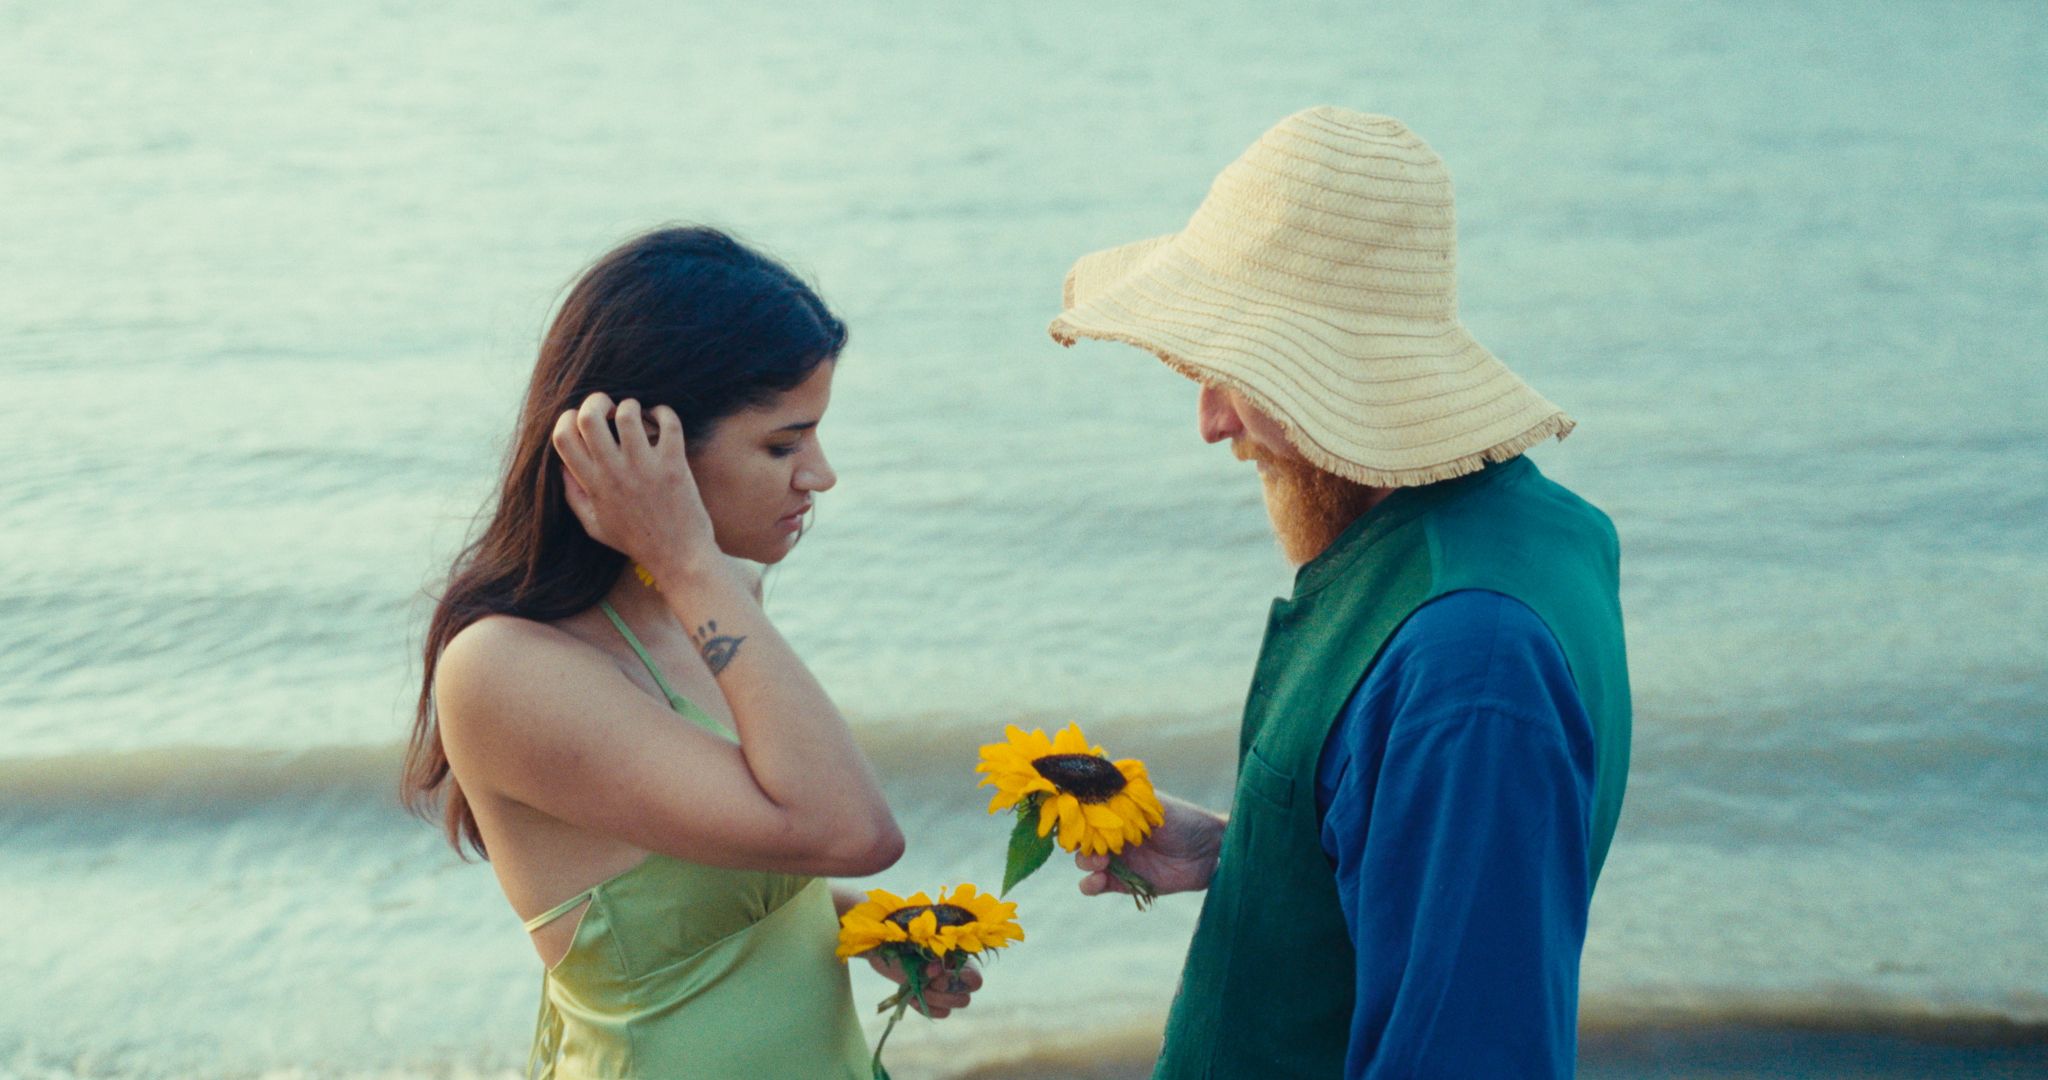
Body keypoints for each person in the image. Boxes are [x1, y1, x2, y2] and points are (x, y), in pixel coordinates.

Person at [1050, 107, 1632, 1078]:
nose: (1209, 421)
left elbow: (1470, 1051)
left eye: (1234, 373)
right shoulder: (1528, 532)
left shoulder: (1470, 661)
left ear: (1337, 381)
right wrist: (1254, 854)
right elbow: (1437, 873)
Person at [404, 226, 981, 1078]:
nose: (820, 475)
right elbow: (852, 829)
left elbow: (717, 885)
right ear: (645, 445)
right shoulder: (505, 668)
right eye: (783, 444)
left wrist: (861, 924)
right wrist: (686, 559)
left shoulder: (713, 604)